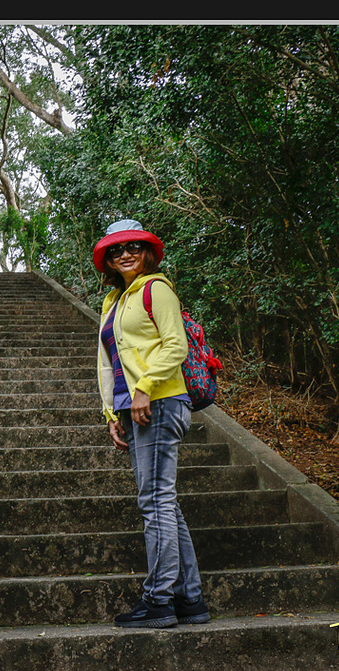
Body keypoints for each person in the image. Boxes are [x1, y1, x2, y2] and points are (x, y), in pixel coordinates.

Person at [94, 219, 210, 629]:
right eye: (116, 250)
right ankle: (190, 598)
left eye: (133, 247)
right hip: (136, 408)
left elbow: (175, 343)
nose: (124, 254)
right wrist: (112, 412)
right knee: (164, 502)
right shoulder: (113, 300)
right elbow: (108, 362)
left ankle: (159, 600)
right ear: (108, 259)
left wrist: (144, 388)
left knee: (155, 500)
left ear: (147, 253)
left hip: (160, 401)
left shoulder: (155, 288)